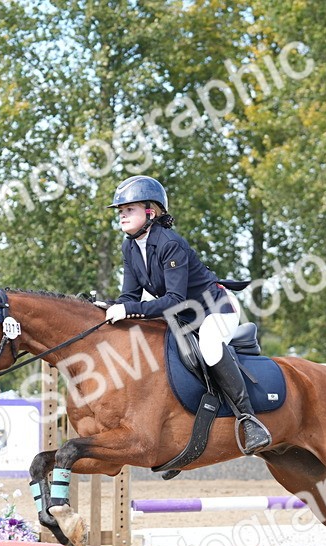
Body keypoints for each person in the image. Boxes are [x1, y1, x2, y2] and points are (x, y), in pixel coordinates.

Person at [102, 175, 271, 454]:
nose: (121, 215)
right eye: (120, 211)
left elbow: (174, 300)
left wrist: (129, 309)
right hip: (182, 316)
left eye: (128, 210)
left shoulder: (170, 243)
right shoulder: (129, 247)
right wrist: (109, 307)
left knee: (209, 347)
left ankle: (248, 418)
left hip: (215, 309)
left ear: (150, 212)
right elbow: (130, 297)